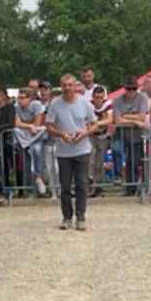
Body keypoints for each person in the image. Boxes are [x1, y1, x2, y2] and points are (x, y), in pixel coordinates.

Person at [45, 73, 98, 231]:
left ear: (75, 86)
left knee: (82, 184)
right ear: (60, 87)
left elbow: (95, 123)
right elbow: (49, 126)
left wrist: (85, 133)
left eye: (70, 85)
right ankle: (66, 217)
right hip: (63, 151)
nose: (67, 88)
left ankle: (81, 217)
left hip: (82, 149)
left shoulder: (84, 103)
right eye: (64, 85)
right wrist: (61, 134)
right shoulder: (55, 104)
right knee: (65, 186)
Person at [111, 76, 148, 195]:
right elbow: (117, 119)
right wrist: (135, 121)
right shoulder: (117, 100)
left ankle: (131, 188)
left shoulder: (143, 97)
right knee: (116, 149)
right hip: (121, 133)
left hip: (137, 136)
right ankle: (118, 176)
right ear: (125, 89)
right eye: (128, 89)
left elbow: (142, 117)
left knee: (133, 162)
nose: (131, 92)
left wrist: (125, 116)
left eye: (134, 89)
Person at [14, 86, 48, 197]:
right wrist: (29, 126)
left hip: (36, 134)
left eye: (23, 98)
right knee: (26, 162)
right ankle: (31, 190)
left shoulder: (37, 105)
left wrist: (29, 126)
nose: (20, 100)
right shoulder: (16, 107)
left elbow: (37, 123)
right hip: (24, 135)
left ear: (30, 99)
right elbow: (17, 123)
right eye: (19, 97)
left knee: (37, 151)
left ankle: (38, 175)